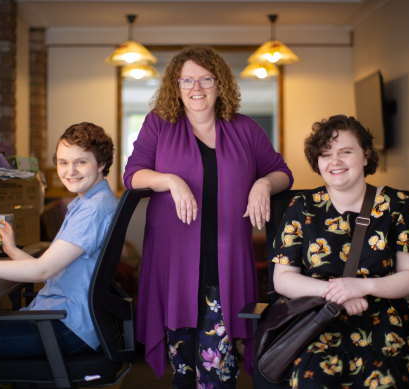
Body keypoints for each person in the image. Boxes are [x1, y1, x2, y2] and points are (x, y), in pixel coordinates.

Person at [123, 45, 293, 388]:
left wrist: (263, 182)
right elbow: (132, 175)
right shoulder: (159, 124)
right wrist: (169, 180)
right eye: (187, 79)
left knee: (218, 370)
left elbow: (283, 173)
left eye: (205, 79)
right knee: (183, 370)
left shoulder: (244, 129)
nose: (195, 88)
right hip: (173, 264)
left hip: (226, 262)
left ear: (220, 84)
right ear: (176, 84)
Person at [0, 122, 118, 379]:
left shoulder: (92, 210)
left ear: (102, 163)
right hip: (72, 322)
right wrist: (13, 250)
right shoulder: (94, 201)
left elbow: (42, 270)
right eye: (62, 162)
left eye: (80, 162)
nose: (69, 171)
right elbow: (53, 270)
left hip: (65, 328)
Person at [271, 114, 409, 388]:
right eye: (325, 155)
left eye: (345, 152)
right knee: (312, 380)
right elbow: (283, 278)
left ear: (365, 156)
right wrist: (339, 292)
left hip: (384, 320)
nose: (334, 162)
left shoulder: (398, 205)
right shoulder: (301, 207)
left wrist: (363, 287)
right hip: (317, 319)